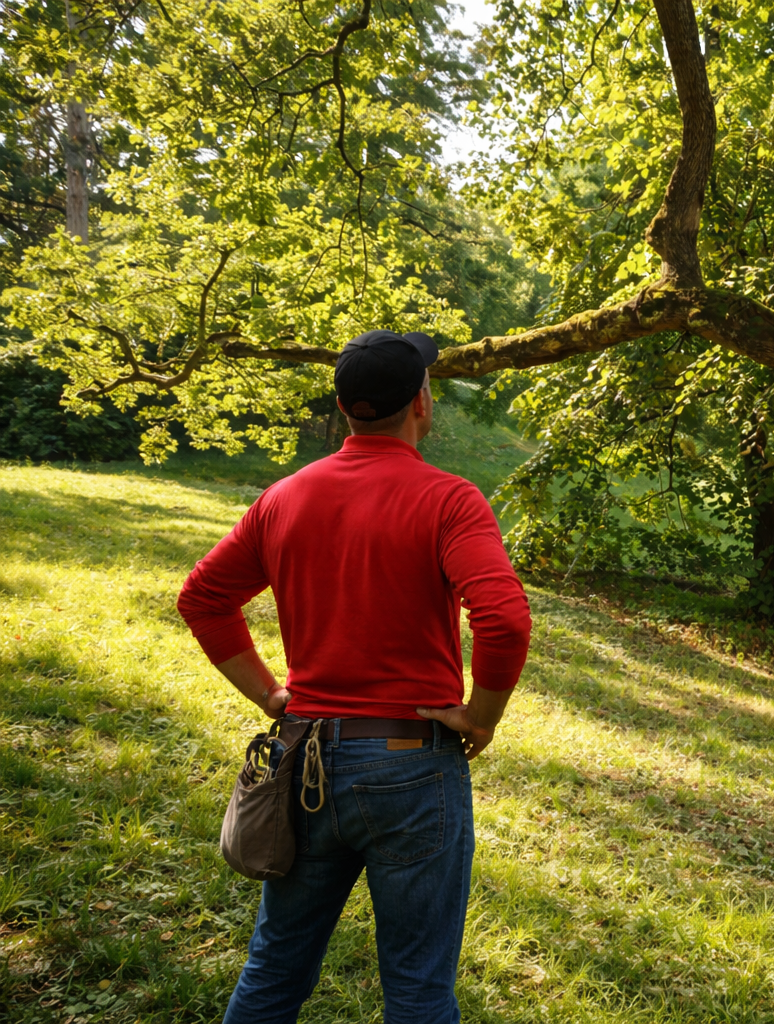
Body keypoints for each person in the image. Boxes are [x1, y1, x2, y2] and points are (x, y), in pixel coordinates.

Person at [177, 329, 532, 1024]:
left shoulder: (285, 497)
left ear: (344, 407)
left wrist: (274, 696)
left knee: (276, 964)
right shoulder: (450, 500)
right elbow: (504, 619)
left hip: (305, 759)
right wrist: (481, 717)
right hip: (411, 766)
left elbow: (203, 598)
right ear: (423, 404)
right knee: (419, 987)